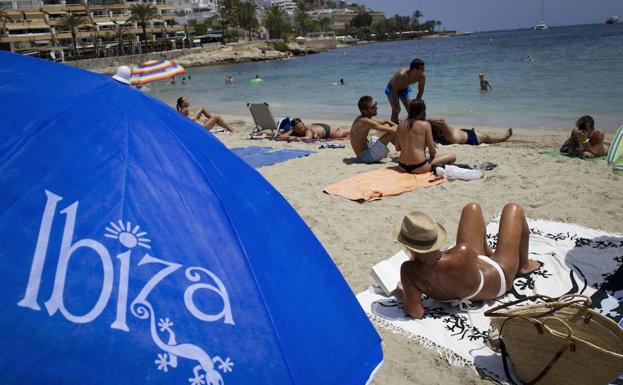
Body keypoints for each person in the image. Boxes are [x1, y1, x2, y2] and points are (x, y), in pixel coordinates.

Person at [397, 203, 541, 319]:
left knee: (472, 208)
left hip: (470, 275)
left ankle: (490, 252)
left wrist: (406, 290)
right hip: (499, 279)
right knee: (513, 208)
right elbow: (471, 260)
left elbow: (417, 312)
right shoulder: (462, 252)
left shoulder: (409, 271)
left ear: (407, 246)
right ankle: (524, 265)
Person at [395, 100, 456, 174]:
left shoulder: (400, 125)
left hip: (402, 166)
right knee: (452, 156)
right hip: (419, 167)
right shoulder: (425, 125)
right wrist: (428, 157)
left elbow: (397, 148)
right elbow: (432, 151)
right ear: (423, 111)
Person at [351, 96, 397, 163]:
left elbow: (384, 122)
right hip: (365, 156)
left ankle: (404, 150)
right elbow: (393, 130)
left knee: (386, 126)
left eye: (375, 104)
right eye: (373, 107)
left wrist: (389, 122)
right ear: (365, 110)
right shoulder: (365, 121)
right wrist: (402, 126)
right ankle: (405, 151)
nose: (376, 107)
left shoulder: (362, 118)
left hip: (365, 151)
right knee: (391, 133)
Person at [386, 58, 426, 123]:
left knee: (412, 109)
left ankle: (410, 125)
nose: (423, 71)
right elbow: (394, 90)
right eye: (422, 69)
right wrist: (395, 103)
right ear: (414, 69)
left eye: (423, 68)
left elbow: (421, 90)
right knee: (396, 109)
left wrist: (417, 103)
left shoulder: (421, 76)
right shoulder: (402, 75)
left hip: (404, 89)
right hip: (392, 89)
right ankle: (394, 127)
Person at [428, 118, 512, 145]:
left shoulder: (444, 135)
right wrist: (427, 120)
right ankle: (504, 137)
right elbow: (441, 121)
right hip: (473, 137)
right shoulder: (448, 135)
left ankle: (475, 131)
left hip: (465, 133)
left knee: (487, 136)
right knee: (490, 139)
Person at [280, 118, 350, 141]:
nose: (301, 130)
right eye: (298, 129)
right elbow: (282, 136)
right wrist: (290, 132)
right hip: (317, 126)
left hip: (326, 130)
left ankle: (347, 129)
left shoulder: (307, 130)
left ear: (303, 125)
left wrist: (293, 137)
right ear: (294, 129)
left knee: (340, 134)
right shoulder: (294, 130)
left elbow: (308, 138)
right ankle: (338, 128)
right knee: (339, 131)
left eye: (302, 127)